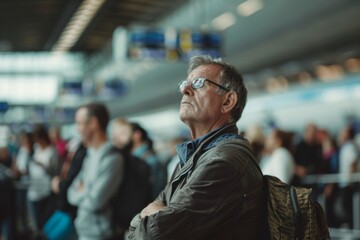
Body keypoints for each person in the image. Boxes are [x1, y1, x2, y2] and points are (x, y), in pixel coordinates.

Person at [128, 55, 265, 239]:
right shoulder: (196, 156)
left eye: (199, 83)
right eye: (185, 83)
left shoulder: (224, 162)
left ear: (227, 102)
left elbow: (154, 234)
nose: (185, 89)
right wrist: (155, 214)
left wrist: (145, 216)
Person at [67, 102, 124, 240]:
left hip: (101, 234)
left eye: (80, 123)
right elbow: (70, 193)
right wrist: (86, 191)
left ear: (93, 123)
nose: (77, 129)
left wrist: (82, 190)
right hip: (84, 231)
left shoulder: (112, 158)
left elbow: (95, 202)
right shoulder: (90, 154)